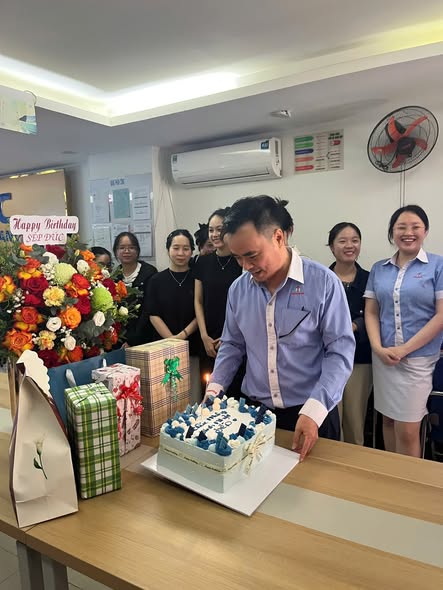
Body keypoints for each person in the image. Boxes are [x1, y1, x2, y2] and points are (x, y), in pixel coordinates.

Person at [207, 196, 355, 461]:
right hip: (255, 415)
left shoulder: (323, 283)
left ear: (278, 237)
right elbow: (232, 345)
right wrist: (214, 389)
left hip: (310, 413)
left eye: (252, 255)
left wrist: (315, 409)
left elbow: (340, 352)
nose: (246, 266)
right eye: (238, 258)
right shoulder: (239, 290)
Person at [364, 204, 443, 457]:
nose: (408, 232)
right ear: (392, 232)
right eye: (401, 227)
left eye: (415, 227)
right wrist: (378, 348)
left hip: (418, 360)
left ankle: (408, 480)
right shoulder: (379, 268)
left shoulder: (437, 265)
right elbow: (371, 312)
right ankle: (392, 474)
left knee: (408, 430)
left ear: (425, 231)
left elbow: (441, 315)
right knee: (387, 420)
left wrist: (404, 349)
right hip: (384, 358)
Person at [328, 222, 372, 445]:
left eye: (355, 240)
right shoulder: (322, 278)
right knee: (330, 418)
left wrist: (355, 325)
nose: (349, 245)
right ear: (331, 246)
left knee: (355, 419)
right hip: (327, 359)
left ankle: (355, 463)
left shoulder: (370, 279)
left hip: (359, 359)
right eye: (343, 241)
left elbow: (377, 315)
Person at [147, 230, 201, 403]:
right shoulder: (156, 280)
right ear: (168, 249)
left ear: (192, 251)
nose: (180, 253)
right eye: (176, 248)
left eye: (186, 248)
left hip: (192, 346)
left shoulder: (198, 278)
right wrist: (171, 341)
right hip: (162, 348)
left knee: (192, 395)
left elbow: (201, 311)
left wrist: (182, 337)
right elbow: (153, 314)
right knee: (166, 398)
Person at [193, 208, 242, 390]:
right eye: (211, 230)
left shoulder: (241, 262)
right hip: (208, 338)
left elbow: (245, 305)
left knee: (235, 394)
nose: (214, 234)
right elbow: (198, 300)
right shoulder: (203, 262)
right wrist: (204, 336)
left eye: (219, 229)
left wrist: (229, 337)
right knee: (209, 392)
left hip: (235, 338)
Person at [113, 232, 157, 346]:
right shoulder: (114, 276)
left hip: (145, 337)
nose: (126, 251)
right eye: (122, 248)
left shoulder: (149, 273)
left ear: (137, 250)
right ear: (116, 252)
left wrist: (132, 340)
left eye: (131, 247)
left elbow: (148, 310)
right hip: (120, 339)